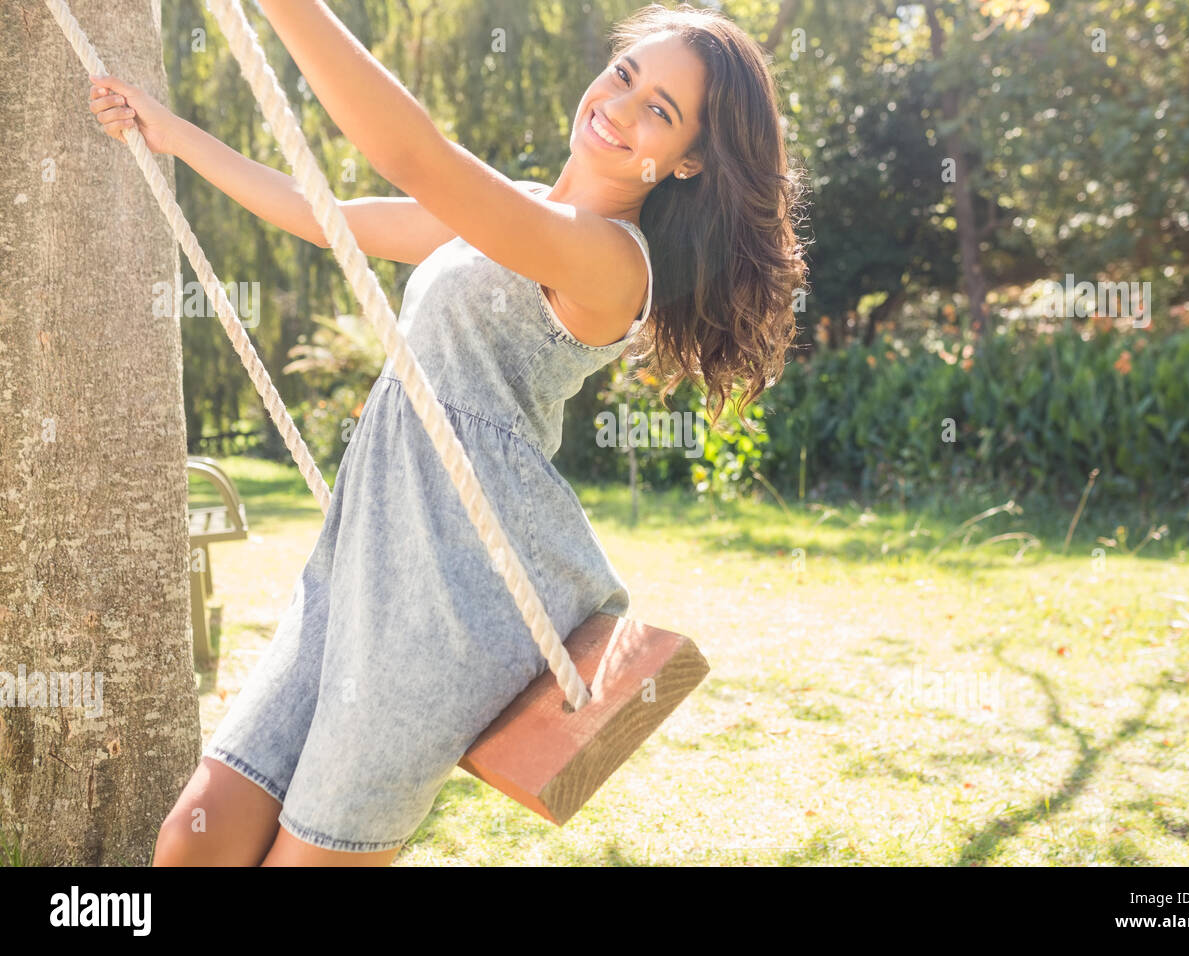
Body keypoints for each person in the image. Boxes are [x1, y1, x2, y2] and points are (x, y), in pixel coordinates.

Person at [90, 1, 808, 866]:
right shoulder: (520, 208)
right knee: (195, 837)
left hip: (454, 598)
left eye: (658, 110)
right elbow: (324, 215)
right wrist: (171, 135)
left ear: (689, 160)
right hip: (360, 565)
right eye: (625, 75)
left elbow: (415, 154)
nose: (618, 107)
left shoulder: (612, 262)